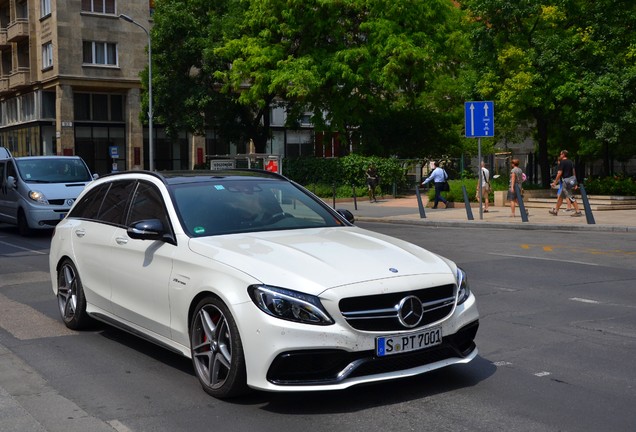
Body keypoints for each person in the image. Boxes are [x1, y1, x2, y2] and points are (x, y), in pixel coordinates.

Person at [549, 150, 582, 217]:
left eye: (560, 154)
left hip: (565, 182)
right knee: (561, 197)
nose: (560, 155)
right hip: (570, 181)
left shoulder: (562, 162)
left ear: (563, 154)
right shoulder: (571, 162)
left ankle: (578, 211)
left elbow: (559, 173)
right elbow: (573, 173)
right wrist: (575, 183)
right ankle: (556, 211)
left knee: (570, 196)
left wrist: (555, 182)